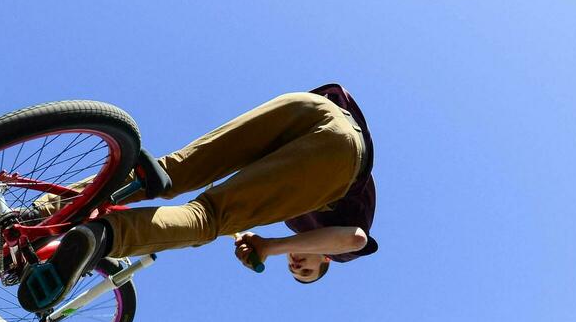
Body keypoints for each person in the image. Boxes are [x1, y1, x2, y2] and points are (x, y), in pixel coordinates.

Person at [21, 84, 377, 310]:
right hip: (343, 155)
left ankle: (37, 216)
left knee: (168, 172)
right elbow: (353, 238)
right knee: (208, 218)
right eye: (307, 270)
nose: (298, 265)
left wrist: (250, 233)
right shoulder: (332, 246)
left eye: (294, 269)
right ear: (325, 261)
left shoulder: (296, 215)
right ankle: (102, 237)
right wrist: (268, 247)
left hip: (312, 105)